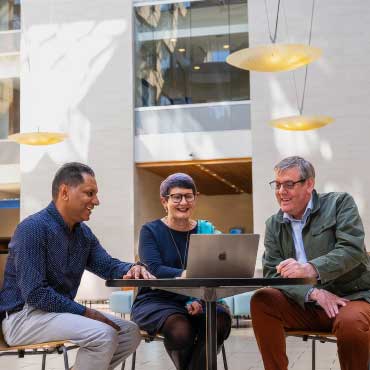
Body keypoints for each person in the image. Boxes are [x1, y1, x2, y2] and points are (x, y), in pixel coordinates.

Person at [0, 162, 155, 370]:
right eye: (89, 193)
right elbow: (35, 293)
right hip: (23, 317)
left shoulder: (83, 234)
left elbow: (107, 265)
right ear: (65, 191)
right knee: (104, 334)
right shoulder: (32, 229)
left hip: (56, 314)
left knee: (129, 332)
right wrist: (87, 312)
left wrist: (131, 268)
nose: (96, 201)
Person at [251, 156, 370, 370]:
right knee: (262, 300)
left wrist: (311, 268)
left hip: (351, 298)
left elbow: (352, 250)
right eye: (277, 185)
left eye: (289, 184)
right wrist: (313, 293)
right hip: (305, 304)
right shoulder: (274, 224)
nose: (281, 191)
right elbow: (271, 272)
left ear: (309, 184)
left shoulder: (339, 203)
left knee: (351, 323)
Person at [131, 173, 232, 370]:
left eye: (188, 196)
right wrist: (189, 274)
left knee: (219, 320)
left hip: (201, 298)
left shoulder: (206, 230)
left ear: (196, 198)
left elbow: (217, 268)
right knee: (180, 330)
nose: (183, 202)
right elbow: (155, 269)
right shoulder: (150, 231)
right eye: (176, 197)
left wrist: (198, 299)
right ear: (164, 201)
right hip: (158, 300)